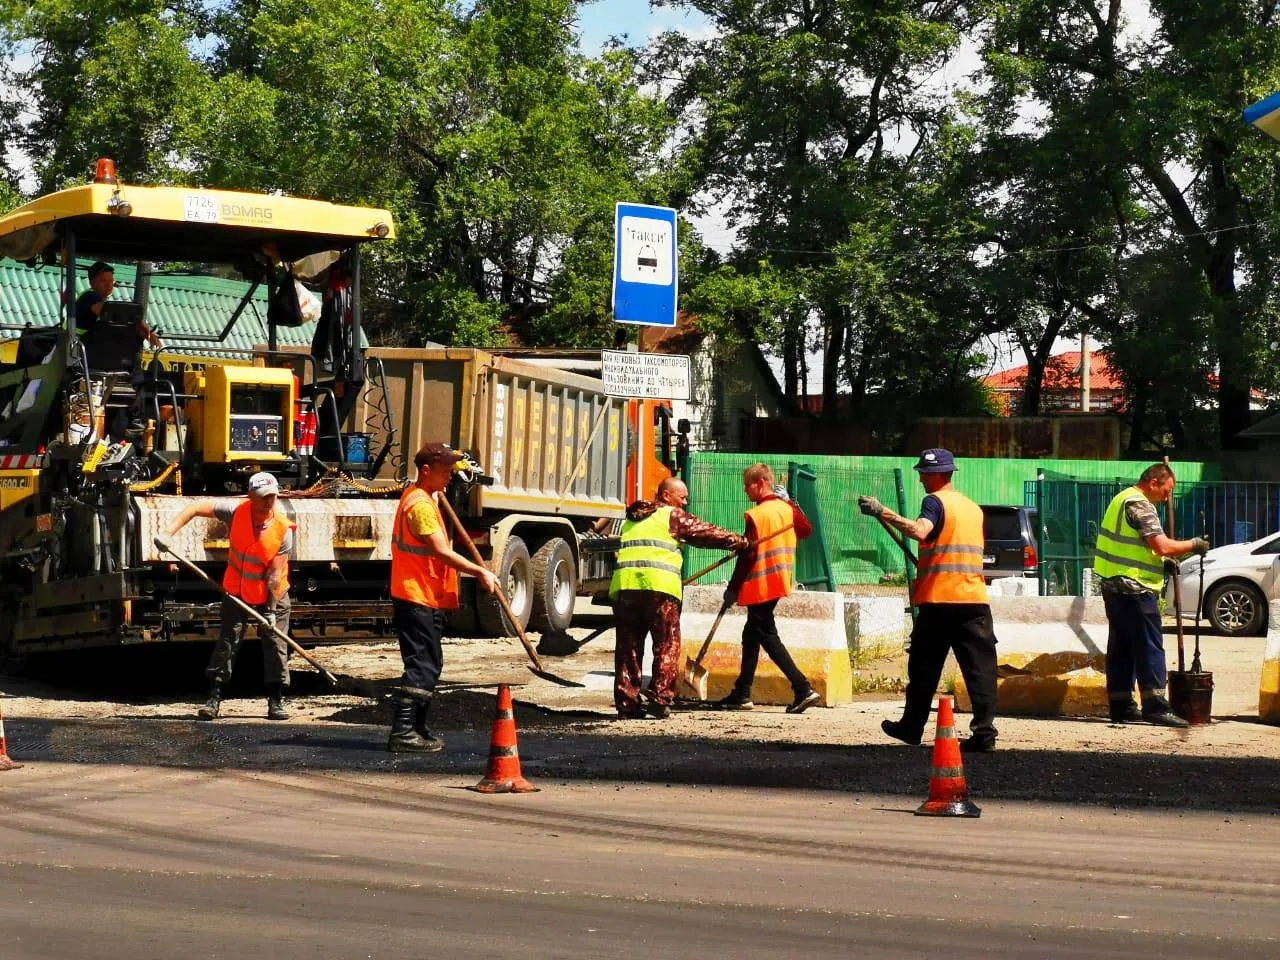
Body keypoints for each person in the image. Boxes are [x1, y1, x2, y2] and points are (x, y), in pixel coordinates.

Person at [859, 448, 1000, 752]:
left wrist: (882, 511)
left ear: (938, 474)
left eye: (924, 473)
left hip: (940, 601)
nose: (921, 478)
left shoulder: (934, 502)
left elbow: (920, 531)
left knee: (923, 668)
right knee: (980, 669)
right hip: (974, 599)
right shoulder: (972, 508)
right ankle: (984, 734)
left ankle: (911, 728)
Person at [387, 442, 501, 752]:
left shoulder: (426, 497)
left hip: (424, 594)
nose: (450, 475)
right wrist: (480, 572)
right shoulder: (420, 506)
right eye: (444, 471)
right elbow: (440, 551)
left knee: (431, 662)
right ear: (426, 471)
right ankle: (402, 732)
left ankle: (418, 727)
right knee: (421, 664)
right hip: (415, 594)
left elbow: (438, 490)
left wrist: (440, 490)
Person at [155, 472, 295, 721]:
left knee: (275, 643)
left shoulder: (283, 530)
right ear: (251, 496)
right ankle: (214, 698)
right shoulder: (236, 512)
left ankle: (276, 700)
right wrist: (167, 533)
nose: (269, 501)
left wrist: (271, 611)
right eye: (263, 496)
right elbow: (196, 507)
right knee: (228, 641)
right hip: (237, 590)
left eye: (273, 496)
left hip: (273, 593)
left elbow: (274, 576)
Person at [609, 476, 748, 719]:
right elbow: (704, 532)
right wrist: (739, 541)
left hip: (626, 588)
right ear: (666, 496)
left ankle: (627, 703)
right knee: (666, 644)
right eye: (682, 498)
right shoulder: (670, 515)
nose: (685, 503)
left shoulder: (631, 519)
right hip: (660, 589)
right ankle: (660, 699)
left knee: (628, 648)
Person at [1091, 463, 1209, 727]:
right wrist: (1194, 545)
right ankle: (1156, 707)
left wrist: (1161, 562)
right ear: (1153, 482)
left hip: (1113, 584)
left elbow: (1139, 546)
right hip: (1135, 587)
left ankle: (1121, 706)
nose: (1167, 498)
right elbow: (1161, 544)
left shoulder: (1121, 498)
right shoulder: (1140, 504)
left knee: (1122, 646)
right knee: (1148, 647)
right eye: (1166, 491)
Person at [716, 464, 821, 714]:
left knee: (766, 633)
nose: (745, 490)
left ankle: (802, 688)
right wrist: (791, 505)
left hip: (761, 582)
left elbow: (748, 556)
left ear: (761, 482)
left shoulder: (757, 514)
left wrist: (733, 588)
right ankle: (742, 692)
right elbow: (806, 530)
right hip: (779, 578)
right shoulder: (785, 509)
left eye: (747, 485)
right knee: (751, 634)